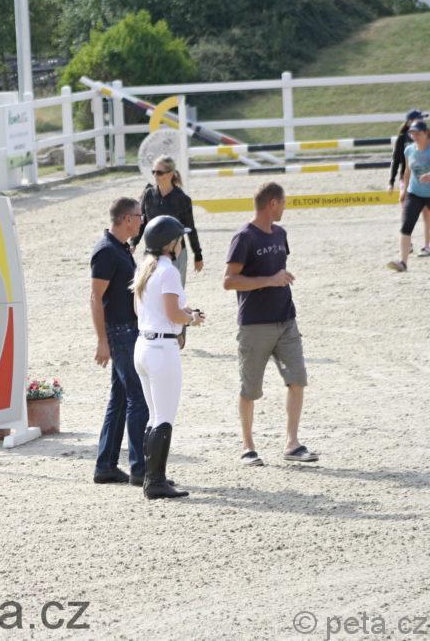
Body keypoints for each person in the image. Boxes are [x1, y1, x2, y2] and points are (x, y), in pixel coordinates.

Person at [223, 182, 317, 467]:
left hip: (286, 320)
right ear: (273, 203)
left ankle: (292, 443)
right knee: (249, 389)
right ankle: (248, 447)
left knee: (297, 380)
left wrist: (281, 278)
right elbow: (229, 281)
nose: (285, 207)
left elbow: (275, 271)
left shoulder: (281, 234)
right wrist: (270, 280)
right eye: (283, 202)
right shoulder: (244, 237)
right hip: (255, 325)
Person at [131, 215, 205, 499]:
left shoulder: (144, 268)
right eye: (179, 240)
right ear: (169, 244)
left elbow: (142, 311)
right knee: (164, 418)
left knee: (154, 416)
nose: (181, 245)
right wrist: (191, 319)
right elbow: (174, 314)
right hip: (162, 350)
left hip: (143, 346)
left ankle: (151, 475)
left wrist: (184, 315)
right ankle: (155, 482)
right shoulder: (169, 271)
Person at [90, 197, 150, 485]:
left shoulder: (121, 248)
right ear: (127, 219)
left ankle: (106, 465)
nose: (142, 221)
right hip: (120, 332)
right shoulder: (106, 251)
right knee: (138, 398)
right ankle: (140, 468)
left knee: (121, 397)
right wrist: (102, 341)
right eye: (139, 216)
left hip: (127, 330)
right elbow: (95, 298)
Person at [131, 155, 204, 286]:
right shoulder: (148, 195)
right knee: (149, 289)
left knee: (173, 291)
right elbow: (142, 222)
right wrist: (133, 243)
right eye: (153, 172)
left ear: (170, 174)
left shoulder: (182, 199)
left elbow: (190, 229)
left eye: (159, 172)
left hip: (175, 253)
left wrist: (198, 255)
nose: (155, 175)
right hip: (151, 253)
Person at [388, 119, 430, 272]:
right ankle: (403, 263)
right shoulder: (409, 150)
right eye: (412, 133)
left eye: (418, 133)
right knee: (406, 226)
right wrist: (404, 191)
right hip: (415, 193)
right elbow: (407, 171)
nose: (415, 136)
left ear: (426, 133)